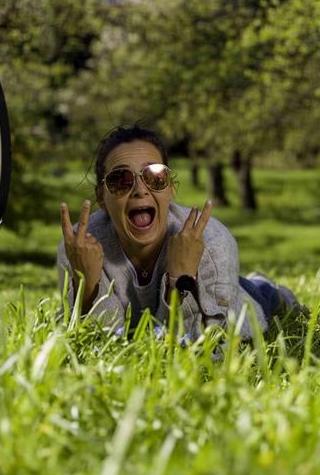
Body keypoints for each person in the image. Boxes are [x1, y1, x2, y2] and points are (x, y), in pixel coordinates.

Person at [57, 125, 301, 346]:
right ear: (101, 196)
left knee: (262, 296)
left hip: (234, 300)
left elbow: (208, 346)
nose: (140, 190)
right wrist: (87, 286)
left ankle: (269, 288)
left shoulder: (212, 241)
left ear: (171, 188)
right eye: (121, 180)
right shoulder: (78, 248)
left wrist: (182, 279)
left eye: (155, 176)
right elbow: (99, 344)